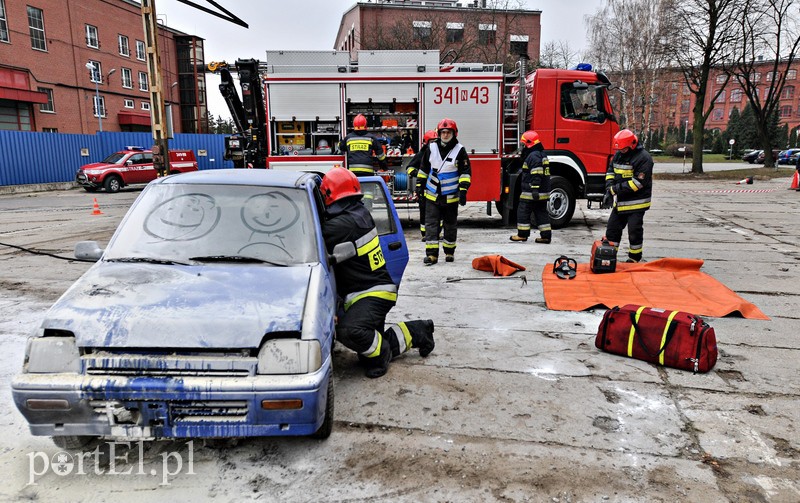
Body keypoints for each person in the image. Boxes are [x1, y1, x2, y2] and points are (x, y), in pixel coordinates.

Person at [320, 168, 435, 378]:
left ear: (328, 195)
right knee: (369, 342)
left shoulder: (345, 223)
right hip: (372, 291)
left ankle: (383, 354)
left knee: (350, 332)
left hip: (371, 294)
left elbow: (313, 234)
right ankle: (419, 331)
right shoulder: (358, 212)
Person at [418, 118, 471, 265]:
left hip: (450, 196)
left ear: (454, 134)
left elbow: (465, 172)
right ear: (439, 133)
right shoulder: (431, 148)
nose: (445, 135)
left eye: (448, 132)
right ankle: (432, 255)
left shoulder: (460, 150)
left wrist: (463, 191)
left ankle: (449, 252)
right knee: (431, 225)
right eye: (443, 132)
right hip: (432, 194)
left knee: (450, 225)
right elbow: (423, 169)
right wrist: (419, 186)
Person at [602, 129, 653, 263]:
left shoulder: (644, 158)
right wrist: (608, 189)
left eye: (624, 149)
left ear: (632, 145)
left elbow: (637, 183)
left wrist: (614, 190)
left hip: (637, 202)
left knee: (634, 231)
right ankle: (610, 255)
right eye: (620, 149)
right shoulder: (618, 155)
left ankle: (634, 257)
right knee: (612, 230)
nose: (621, 152)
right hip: (621, 201)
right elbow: (610, 172)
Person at [510, 130, 552, 244]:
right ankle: (546, 236)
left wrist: (534, 189)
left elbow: (536, 173)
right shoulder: (541, 154)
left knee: (523, 212)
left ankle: (522, 235)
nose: (523, 147)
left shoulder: (533, 156)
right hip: (542, 192)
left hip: (532, 192)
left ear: (529, 143)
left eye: (524, 144)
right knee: (541, 213)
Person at [405, 129, 438, 240]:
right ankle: (425, 234)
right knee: (424, 212)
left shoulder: (441, 154)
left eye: (435, 141)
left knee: (439, 213)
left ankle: (437, 233)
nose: (433, 144)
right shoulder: (422, 154)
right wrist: (419, 174)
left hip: (437, 188)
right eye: (431, 142)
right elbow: (409, 168)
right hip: (423, 188)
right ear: (426, 142)